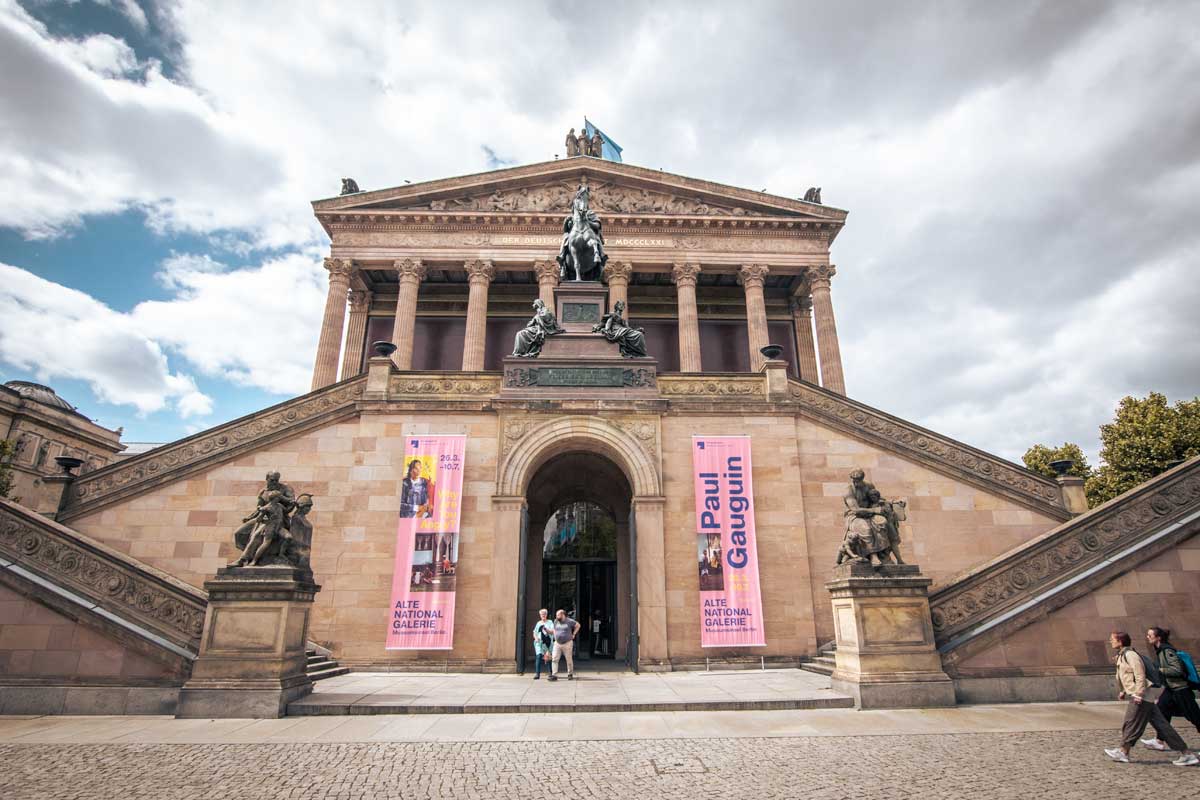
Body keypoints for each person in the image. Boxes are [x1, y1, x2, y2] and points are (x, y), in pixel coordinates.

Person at [1104, 631, 1198, 765]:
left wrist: (1139, 693)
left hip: (1141, 695)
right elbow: (1127, 676)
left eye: (1112, 639)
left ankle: (1123, 751)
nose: (1110, 641)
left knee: (1131, 722)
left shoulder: (1130, 654)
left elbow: (1140, 674)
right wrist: (1123, 691)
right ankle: (1186, 753)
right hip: (1141, 694)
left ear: (1120, 641)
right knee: (1162, 726)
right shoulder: (1122, 655)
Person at [1141, 627, 1200, 751]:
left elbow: (1177, 670)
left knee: (1195, 716)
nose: (1147, 637)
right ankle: (1159, 741)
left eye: (1150, 635)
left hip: (1180, 689)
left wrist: (1160, 669)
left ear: (1158, 638)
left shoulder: (1167, 651)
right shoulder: (1160, 650)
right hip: (1170, 689)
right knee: (1162, 711)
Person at [548, 608, 580, 681]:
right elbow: (554, 630)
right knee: (554, 659)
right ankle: (554, 675)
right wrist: (548, 631)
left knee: (568, 659)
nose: (556, 616)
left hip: (567, 643)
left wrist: (574, 633)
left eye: (558, 615)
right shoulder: (556, 621)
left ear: (562, 615)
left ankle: (570, 674)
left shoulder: (569, 621)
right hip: (557, 643)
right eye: (556, 615)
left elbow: (578, 625)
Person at [532, 609, 554, 680]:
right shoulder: (538, 623)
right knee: (538, 656)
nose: (543, 615)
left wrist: (546, 629)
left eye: (544, 614)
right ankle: (537, 674)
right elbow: (534, 632)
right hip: (539, 643)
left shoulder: (550, 622)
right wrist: (536, 638)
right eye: (542, 614)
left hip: (547, 643)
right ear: (540, 615)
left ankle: (550, 673)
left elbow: (552, 631)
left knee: (547, 657)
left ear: (546, 615)